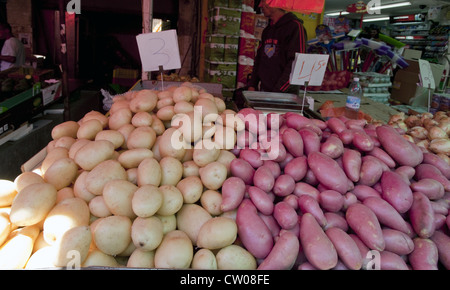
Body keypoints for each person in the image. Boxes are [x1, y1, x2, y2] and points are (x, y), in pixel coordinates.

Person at [247, 0, 306, 94]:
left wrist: (278, 91)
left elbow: (296, 63)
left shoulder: (295, 27)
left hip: (284, 95)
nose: (260, 5)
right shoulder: (267, 30)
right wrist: (252, 85)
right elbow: (259, 59)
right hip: (264, 91)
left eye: (264, 1)